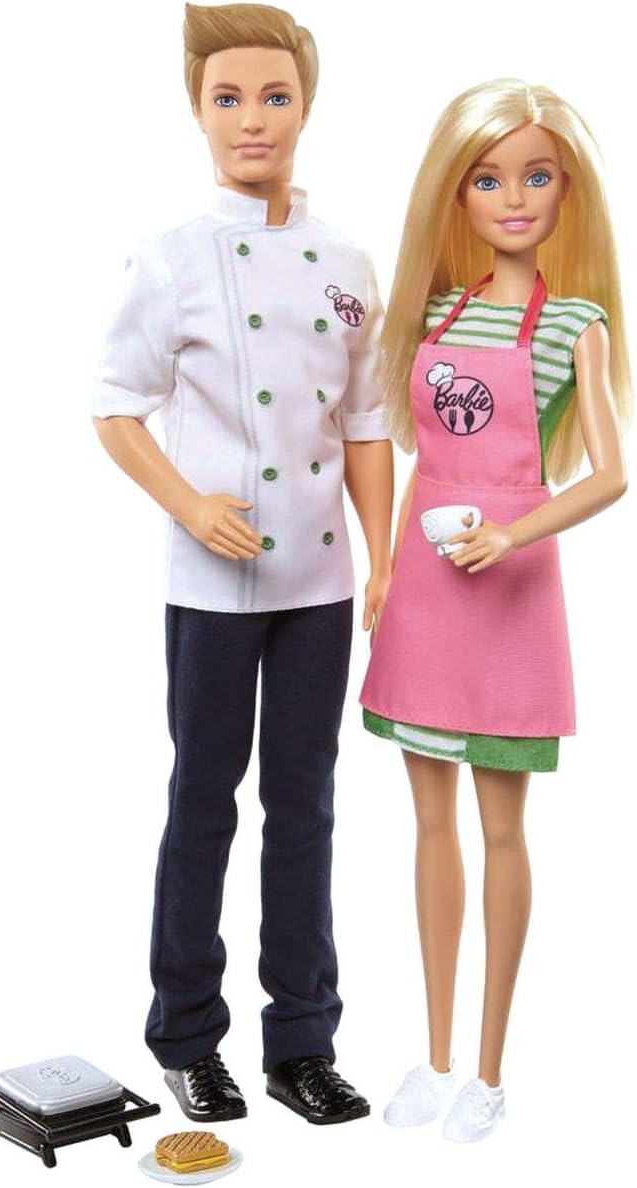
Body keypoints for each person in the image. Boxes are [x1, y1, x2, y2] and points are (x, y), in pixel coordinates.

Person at [91, 3, 393, 1126]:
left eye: (274, 96)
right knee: (202, 800)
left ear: (305, 109)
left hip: (320, 582)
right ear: (197, 111)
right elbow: (114, 407)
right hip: (212, 583)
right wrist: (189, 503)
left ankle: (302, 1044)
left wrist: (383, 562)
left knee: (305, 806)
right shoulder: (171, 256)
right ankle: (185, 1036)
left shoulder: (346, 260)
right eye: (228, 98)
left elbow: (366, 424)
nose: (252, 118)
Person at [360, 79, 630, 1142]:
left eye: (535, 176)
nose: (513, 198)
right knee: (429, 825)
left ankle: (488, 1070)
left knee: (501, 829)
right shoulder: (436, 311)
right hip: (428, 589)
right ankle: (432, 1057)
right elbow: (418, 456)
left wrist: (514, 535)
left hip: (510, 593)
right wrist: (386, 570)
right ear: (455, 194)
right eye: (487, 179)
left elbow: (612, 474)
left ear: (567, 191)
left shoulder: (574, 325)